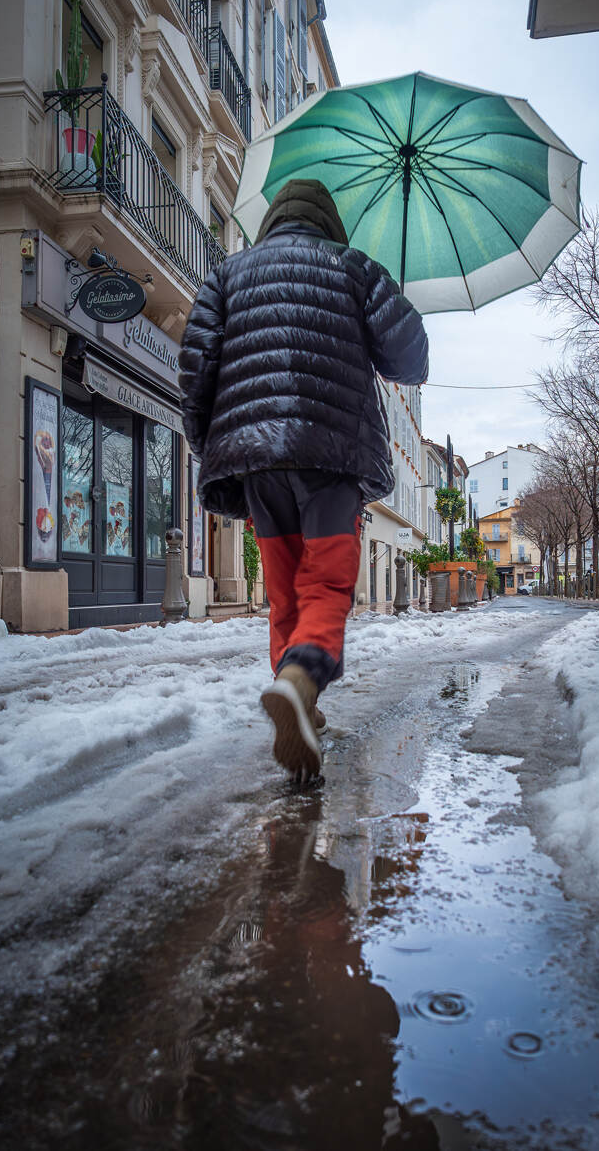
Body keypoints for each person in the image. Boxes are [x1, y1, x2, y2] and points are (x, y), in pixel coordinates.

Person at [179, 179, 428, 782]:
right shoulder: (356, 268)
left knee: (285, 587)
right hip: (331, 451)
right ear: (329, 223)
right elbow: (412, 359)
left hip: (256, 456)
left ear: (272, 224)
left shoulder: (226, 274)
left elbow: (195, 365)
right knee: (329, 580)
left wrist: (208, 442)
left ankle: (299, 704)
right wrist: (381, 294)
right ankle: (301, 677)